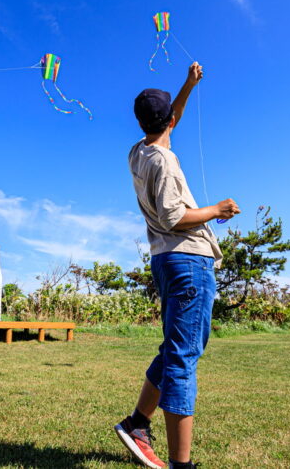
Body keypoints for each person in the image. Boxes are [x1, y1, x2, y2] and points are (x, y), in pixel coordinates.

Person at [114, 62, 239, 469]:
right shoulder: (165, 163)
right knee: (183, 358)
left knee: (175, 350)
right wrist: (216, 210)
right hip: (188, 260)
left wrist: (188, 85)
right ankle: (180, 465)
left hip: (165, 260)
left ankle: (137, 423)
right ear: (167, 120)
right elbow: (173, 217)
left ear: (141, 123)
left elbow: (172, 120)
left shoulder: (139, 153)